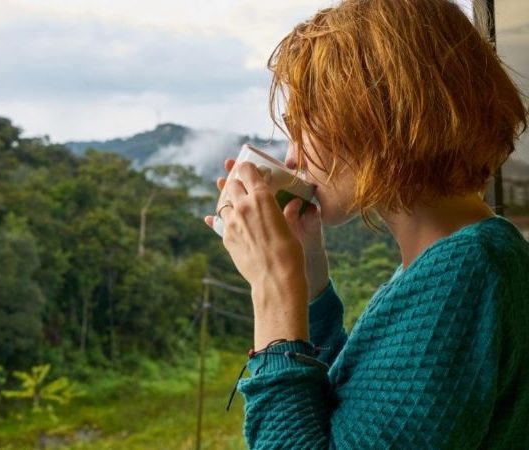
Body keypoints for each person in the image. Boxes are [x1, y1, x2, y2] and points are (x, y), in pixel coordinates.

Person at [202, 0, 529, 448]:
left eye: (302, 127)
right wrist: (308, 276)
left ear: (373, 116)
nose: (293, 157)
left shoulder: (466, 274)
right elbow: (355, 413)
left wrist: (274, 291)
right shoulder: (456, 258)